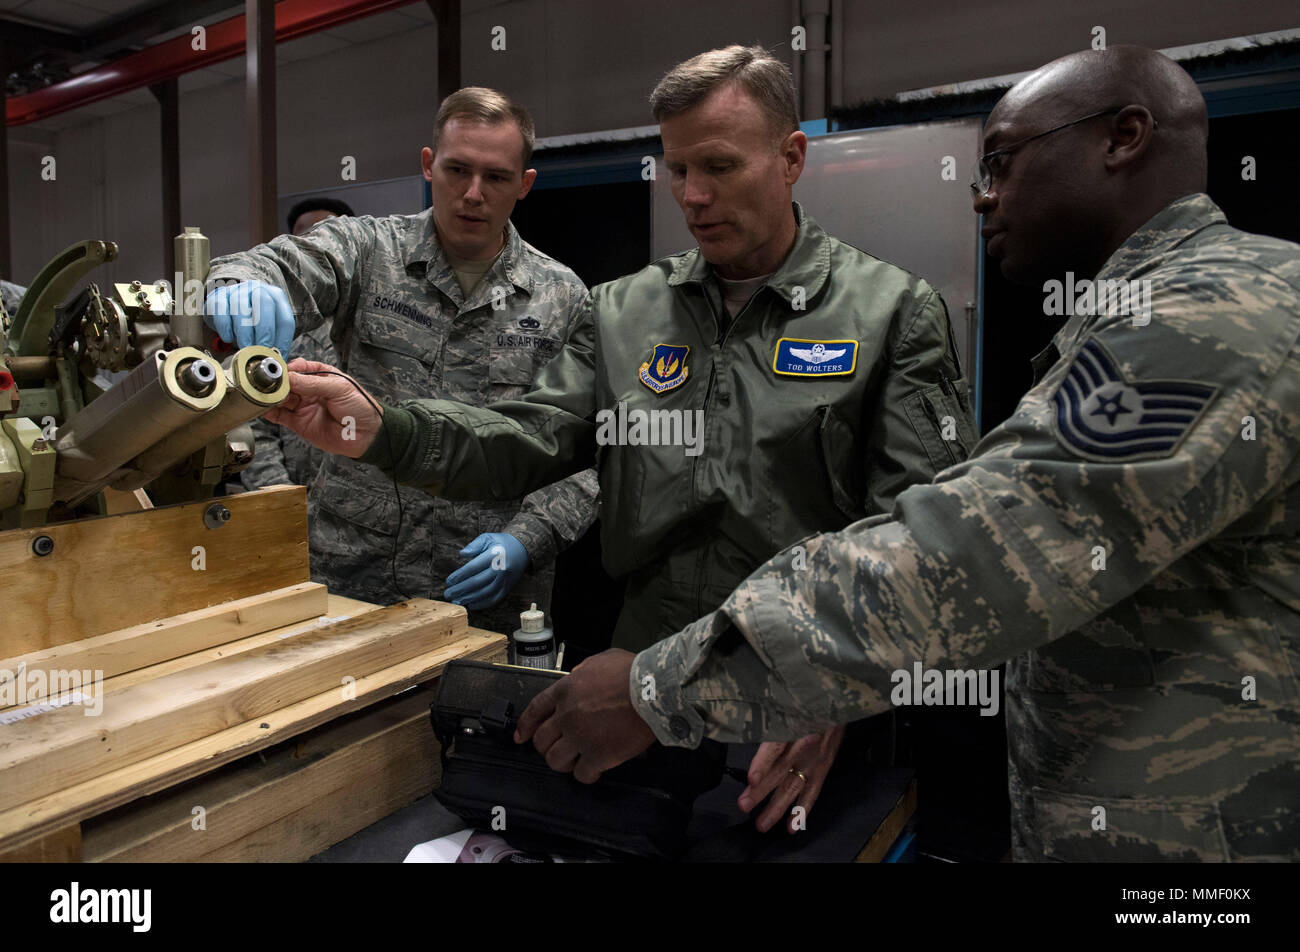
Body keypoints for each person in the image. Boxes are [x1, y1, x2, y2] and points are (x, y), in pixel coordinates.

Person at [506, 45, 1300, 862]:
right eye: (676, 170)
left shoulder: (1211, 314)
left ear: (1123, 137)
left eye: (1001, 160)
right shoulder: (1151, 310)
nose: (983, 194)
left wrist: (654, 688)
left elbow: (965, 552)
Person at [252, 46, 976, 833]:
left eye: (720, 166)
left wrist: (837, 689)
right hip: (631, 696)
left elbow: (922, 546)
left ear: (792, 155)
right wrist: (384, 428)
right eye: (675, 170)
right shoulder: (625, 311)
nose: (693, 196)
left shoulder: (891, 314)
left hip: (799, 709)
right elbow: (524, 439)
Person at [205, 87, 599, 638]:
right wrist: (242, 283)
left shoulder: (561, 297)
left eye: (497, 177)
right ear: (427, 165)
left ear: (525, 185)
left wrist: (528, 539)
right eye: (457, 169)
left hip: (486, 595)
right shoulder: (370, 251)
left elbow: (585, 450)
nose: (473, 194)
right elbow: (284, 261)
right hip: (354, 578)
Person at [240, 199, 356, 491]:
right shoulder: (274, 329)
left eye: (328, 236)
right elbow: (253, 425)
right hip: (297, 505)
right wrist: (279, 496)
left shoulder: (378, 323)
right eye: (306, 240)